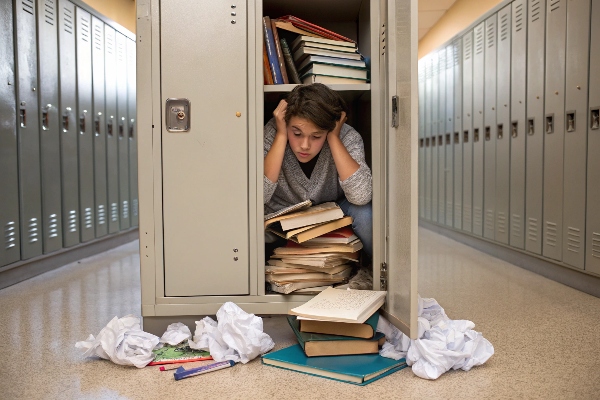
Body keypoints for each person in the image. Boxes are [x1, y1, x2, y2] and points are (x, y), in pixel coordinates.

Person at [263, 83, 373, 259]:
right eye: (297, 133)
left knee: (366, 214)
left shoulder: (346, 136)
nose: (305, 145)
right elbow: (257, 196)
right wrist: (282, 136)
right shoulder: (273, 133)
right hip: (280, 217)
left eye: (316, 136)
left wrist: (334, 138)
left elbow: (361, 196)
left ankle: (372, 271)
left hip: (333, 213)